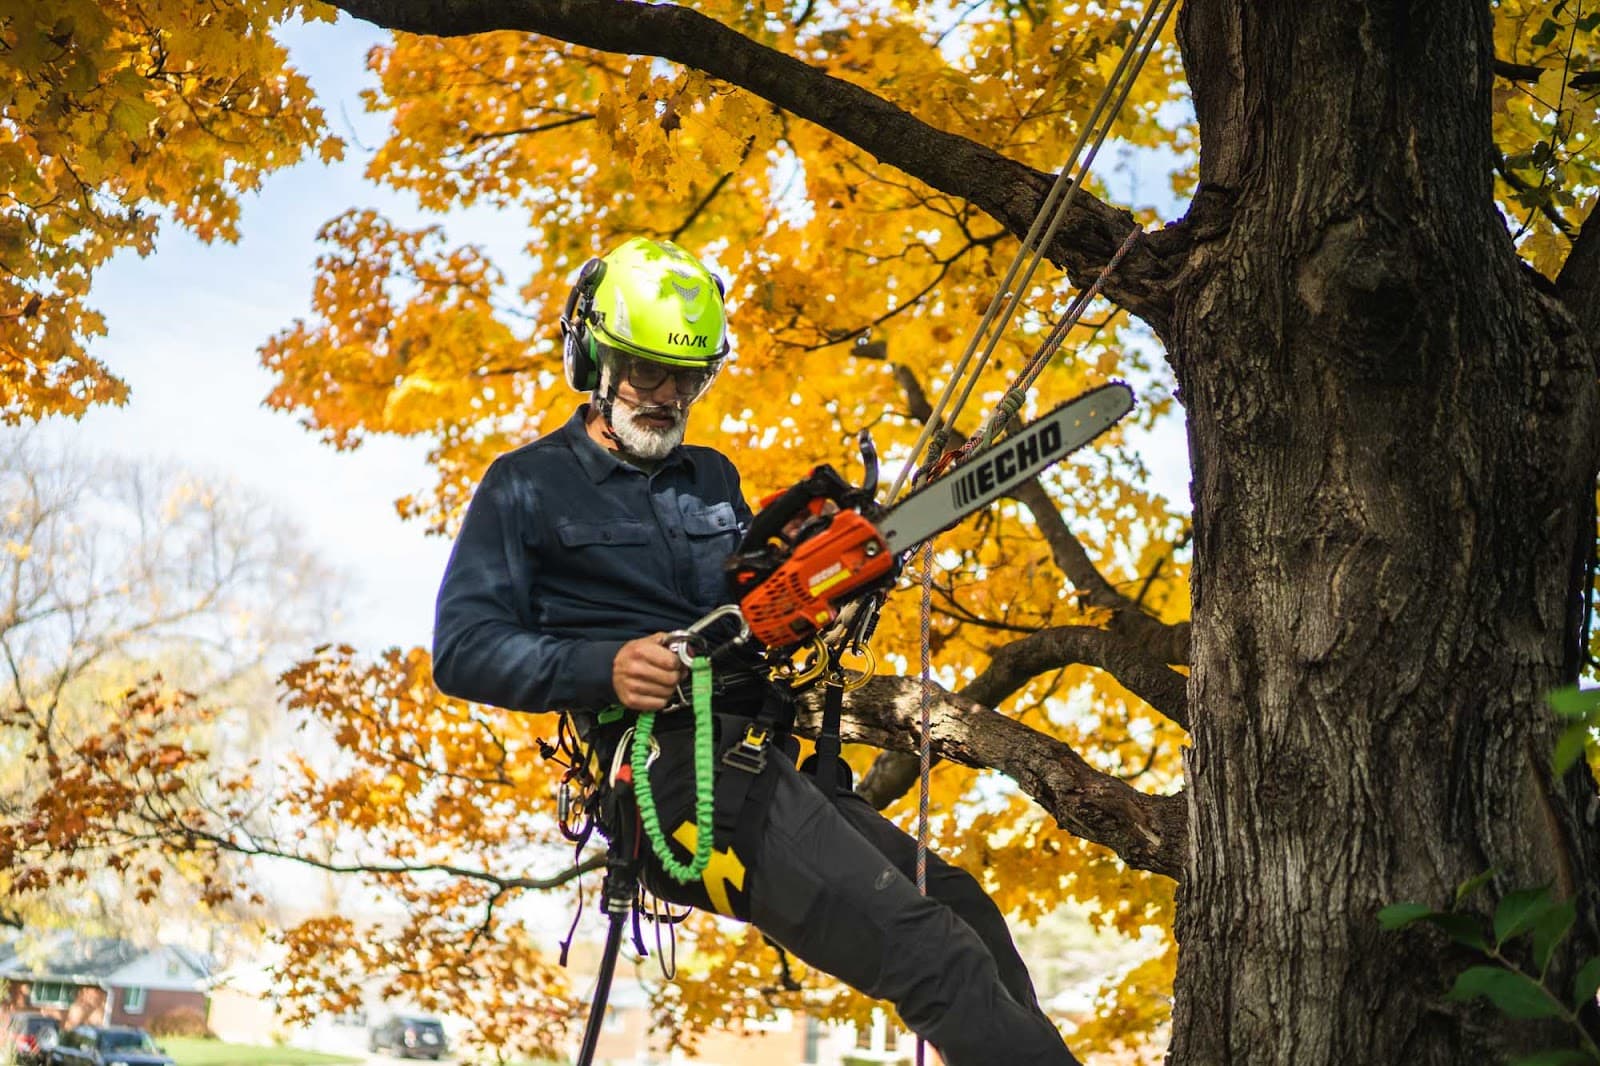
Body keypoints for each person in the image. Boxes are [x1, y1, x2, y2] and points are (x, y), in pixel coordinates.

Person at [432, 236, 1078, 1066]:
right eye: (646, 371)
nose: (667, 395)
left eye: (688, 377)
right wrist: (607, 666)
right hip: (673, 781)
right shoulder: (524, 484)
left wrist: (828, 585)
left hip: (759, 758)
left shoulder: (711, 478)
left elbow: (749, 605)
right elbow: (463, 649)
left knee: (965, 912)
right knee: (932, 954)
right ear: (595, 355)